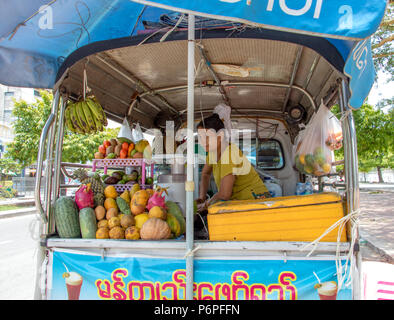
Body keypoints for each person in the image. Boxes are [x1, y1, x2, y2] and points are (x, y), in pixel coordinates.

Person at [195, 112, 271, 213]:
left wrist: (205, 205)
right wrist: (202, 197)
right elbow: (205, 173)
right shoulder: (213, 153)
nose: (202, 141)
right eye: (200, 137)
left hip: (255, 201)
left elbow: (224, 194)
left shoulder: (229, 153)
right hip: (239, 203)